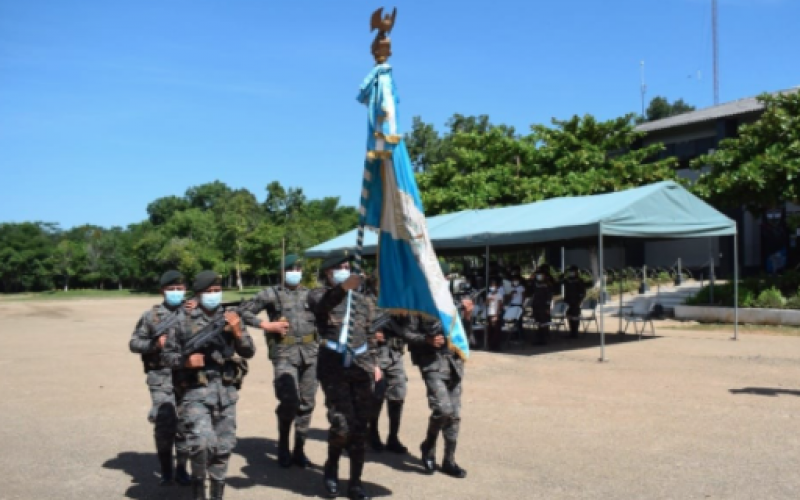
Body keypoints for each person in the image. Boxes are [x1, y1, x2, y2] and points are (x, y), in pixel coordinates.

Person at [162, 271, 255, 500]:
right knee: (202, 444)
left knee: (223, 448)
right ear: (198, 294)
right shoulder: (182, 321)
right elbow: (166, 357)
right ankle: (198, 489)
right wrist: (185, 362)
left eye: (217, 291)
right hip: (195, 392)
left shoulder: (231, 318)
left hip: (226, 391)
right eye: (209, 292)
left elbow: (248, 351)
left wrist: (237, 332)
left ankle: (216, 495)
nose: (214, 295)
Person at [308, 255, 381, 500]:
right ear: (328, 273)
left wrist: (374, 363)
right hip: (333, 366)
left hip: (360, 366)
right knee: (341, 425)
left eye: (347, 267)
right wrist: (343, 288)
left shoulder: (363, 301)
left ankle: (355, 483)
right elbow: (323, 306)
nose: (344, 270)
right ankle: (331, 466)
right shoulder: (318, 295)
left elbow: (370, 333)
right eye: (338, 268)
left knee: (360, 427)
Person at [239, 254, 318, 468]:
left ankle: (299, 449)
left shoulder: (311, 294)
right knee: (289, 400)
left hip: (311, 353)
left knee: (307, 403)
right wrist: (266, 325)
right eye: (290, 269)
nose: (295, 273)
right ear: (282, 272)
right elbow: (243, 311)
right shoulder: (271, 294)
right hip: (284, 353)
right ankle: (283, 446)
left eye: (297, 269)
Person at [129, 270, 191, 486]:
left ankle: (182, 468)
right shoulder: (151, 316)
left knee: (185, 424)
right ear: (162, 291)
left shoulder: (193, 312)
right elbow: (134, 343)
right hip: (161, 376)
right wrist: (154, 345)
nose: (176, 292)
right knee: (165, 423)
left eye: (180, 288)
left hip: (187, 375)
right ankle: (166, 470)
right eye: (171, 288)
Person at [402, 296, 473, 479]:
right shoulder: (418, 304)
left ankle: (449, 461)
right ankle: (429, 445)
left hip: (454, 364)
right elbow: (407, 333)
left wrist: (467, 316)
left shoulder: (451, 303)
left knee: (454, 415)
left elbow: (465, 336)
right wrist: (427, 339)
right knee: (443, 409)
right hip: (432, 364)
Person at [366, 273, 409, 454]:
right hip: (375, 356)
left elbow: (408, 328)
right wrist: (370, 335)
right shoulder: (365, 302)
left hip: (395, 354)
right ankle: (372, 433)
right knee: (377, 395)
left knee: (398, 394)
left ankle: (393, 437)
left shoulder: (396, 301)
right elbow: (353, 328)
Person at [530, 264, 555, 345]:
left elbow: (549, 296)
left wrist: (547, 307)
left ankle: (543, 340)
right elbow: (530, 285)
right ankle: (538, 339)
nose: (539, 276)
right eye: (538, 275)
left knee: (543, 323)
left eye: (540, 274)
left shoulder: (547, 284)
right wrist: (534, 274)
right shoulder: (535, 283)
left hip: (544, 306)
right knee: (538, 322)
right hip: (536, 305)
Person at [562, 265, 587, 338]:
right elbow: (559, 282)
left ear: (576, 272)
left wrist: (580, 300)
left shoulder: (579, 281)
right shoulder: (567, 280)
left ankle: (575, 332)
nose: (571, 273)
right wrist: (564, 274)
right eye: (570, 271)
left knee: (575, 317)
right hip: (568, 302)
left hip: (576, 302)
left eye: (572, 271)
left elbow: (583, 292)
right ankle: (571, 332)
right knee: (569, 316)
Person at [485, 278, 505, 351]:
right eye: (491, 286)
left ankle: (496, 346)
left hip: (496, 313)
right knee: (490, 330)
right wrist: (488, 300)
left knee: (496, 330)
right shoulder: (489, 294)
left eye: (494, 286)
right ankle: (490, 345)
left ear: (497, 287)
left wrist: (497, 315)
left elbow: (500, 305)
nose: (492, 287)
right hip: (490, 313)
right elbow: (486, 304)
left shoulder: (499, 295)